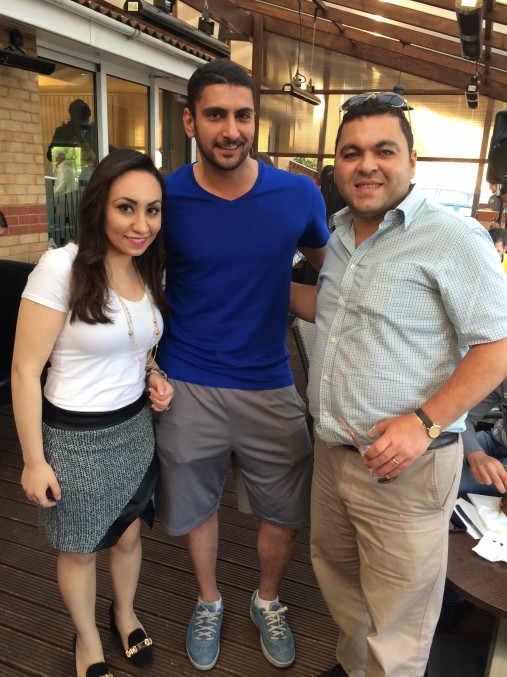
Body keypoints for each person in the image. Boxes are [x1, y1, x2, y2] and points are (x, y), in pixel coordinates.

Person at [290, 95, 507, 677]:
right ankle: (354, 667)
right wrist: (250, 283)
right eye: (352, 153)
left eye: (384, 151)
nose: (367, 165)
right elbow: (332, 310)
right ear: (337, 165)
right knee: (342, 589)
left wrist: (424, 423)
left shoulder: (452, 237)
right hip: (333, 455)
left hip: (407, 468)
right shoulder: (339, 235)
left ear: (412, 161)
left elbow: (498, 345)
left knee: (400, 623)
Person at [154, 59, 329, 671]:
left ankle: (266, 599)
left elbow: (338, 276)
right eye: (216, 115)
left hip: (270, 380)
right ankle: (209, 601)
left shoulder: (298, 194)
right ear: (190, 121)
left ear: (256, 120)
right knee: (195, 506)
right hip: (186, 379)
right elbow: (134, 282)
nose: (231, 130)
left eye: (243, 115)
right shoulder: (165, 198)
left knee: (285, 511)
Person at [11, 149, 174, 677]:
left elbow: (135, 344)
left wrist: (153, 374)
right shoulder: (61, 267)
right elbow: (24, 370)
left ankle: (124, 613)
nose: (141, 224)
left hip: (134, 429)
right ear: (99, 204)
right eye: (126, 207)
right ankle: (87, 641)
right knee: (80, 549)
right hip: (75, 438)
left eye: (152, 210)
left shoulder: (147, 267)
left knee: (128, 534)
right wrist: (34, 460)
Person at [459, 379, 507, 497]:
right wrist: (475, 454)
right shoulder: (502, 374)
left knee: (444, 484)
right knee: (428, 461)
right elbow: (463, 417)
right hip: (496, 438)